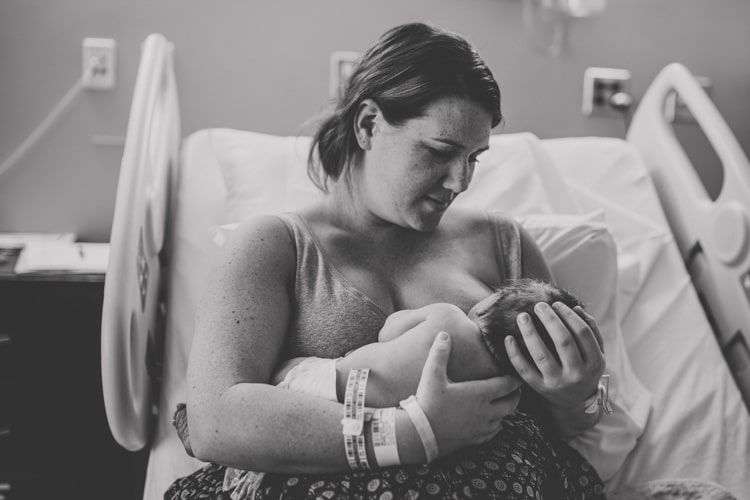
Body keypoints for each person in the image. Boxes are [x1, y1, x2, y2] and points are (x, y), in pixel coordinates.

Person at [168, 22, 607, 499]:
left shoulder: (504, 244)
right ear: (368, 125)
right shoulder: (274, 247)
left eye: (474, 159)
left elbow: (565, 425)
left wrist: (579, 395)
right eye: (441, 151)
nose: (459, 182)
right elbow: (215, 422)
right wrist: (410, 433)